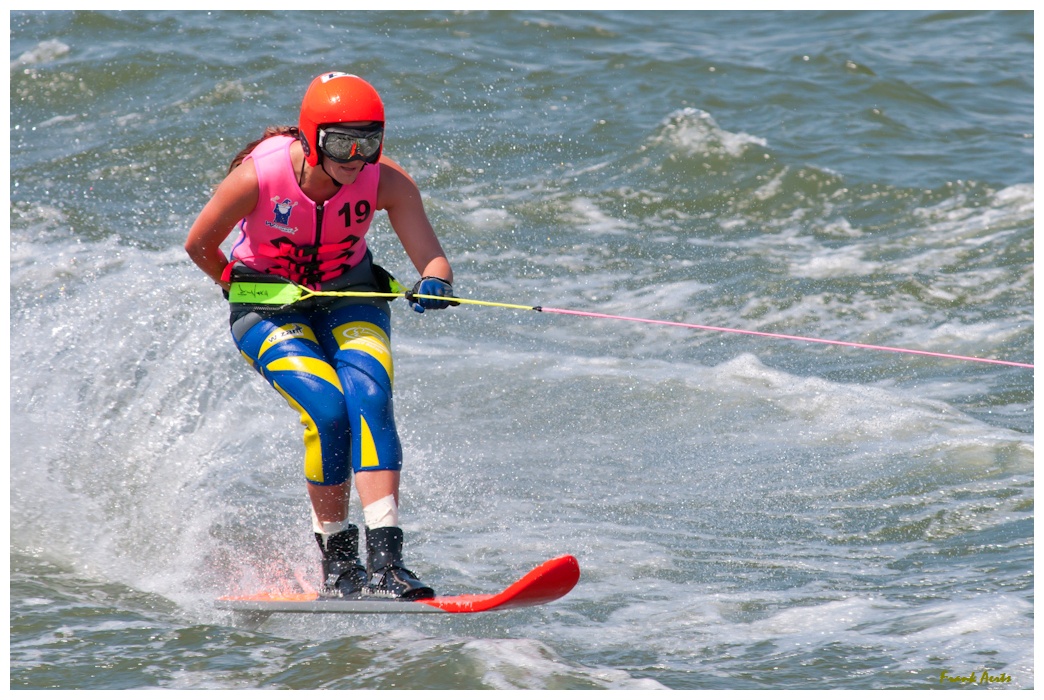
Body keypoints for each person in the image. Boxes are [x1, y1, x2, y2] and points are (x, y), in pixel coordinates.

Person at [185, 71, 456, 600]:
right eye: (341, 144)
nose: (357, 158)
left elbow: (433, 257)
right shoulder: (256, 178)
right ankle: (338, 560)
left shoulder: (387, 181)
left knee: (370, 396)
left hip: (352, 296)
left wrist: (435, 281)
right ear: (312, 138)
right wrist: (238, 285)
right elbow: (199, 244)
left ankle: (387, 561)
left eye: (369, 142)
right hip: (267, 311)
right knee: (328, 410)